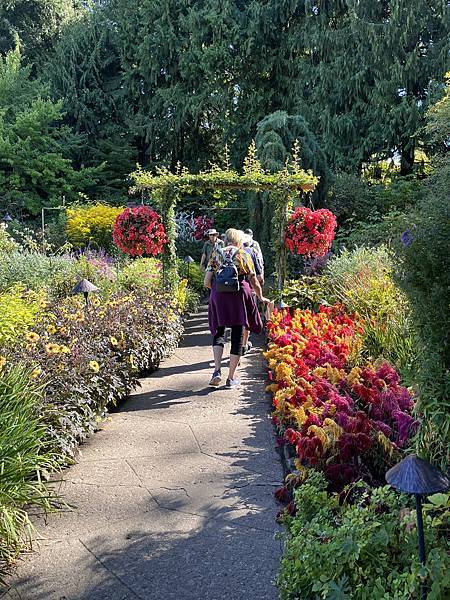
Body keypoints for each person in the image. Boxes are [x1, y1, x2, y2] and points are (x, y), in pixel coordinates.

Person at [204, 228, 269, 388]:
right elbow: (253, 280)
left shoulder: (216, 253)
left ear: (226, 240)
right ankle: (231, 378)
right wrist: (260, 297)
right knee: (237, 335)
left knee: (219, 332)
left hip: (218, 295)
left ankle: (217, 371)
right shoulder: (244, 254)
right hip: (238, 296)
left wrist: (216, 289)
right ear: (239, 241)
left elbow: (206, 281)